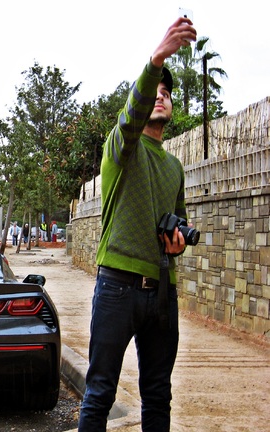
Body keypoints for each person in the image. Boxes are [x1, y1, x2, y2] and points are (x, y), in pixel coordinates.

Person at [78, 17, 196, 432]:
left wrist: (178, 242)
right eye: (155, 92)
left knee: (158, 396)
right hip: (117, 288)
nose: (160, 97)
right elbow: (131, 115)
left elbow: (179, 221)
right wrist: (157, 60)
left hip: (163, 292)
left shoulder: (174, 166)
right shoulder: (121, 147)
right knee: (100, 393)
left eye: (167, 94)